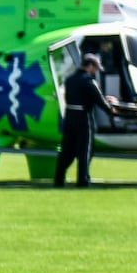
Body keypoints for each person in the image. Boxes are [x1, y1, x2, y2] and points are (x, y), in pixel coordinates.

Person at [55, 52, 118, 188]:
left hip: (69, 116)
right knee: (85, 151)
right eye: (95, 68)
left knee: (67, 150)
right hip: (83, 118)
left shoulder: (70, 80)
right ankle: (82, 180)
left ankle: (59, 179)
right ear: (89, 66)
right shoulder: (89, 82)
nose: (95, 71)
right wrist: (111, 108)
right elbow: (100, 101)